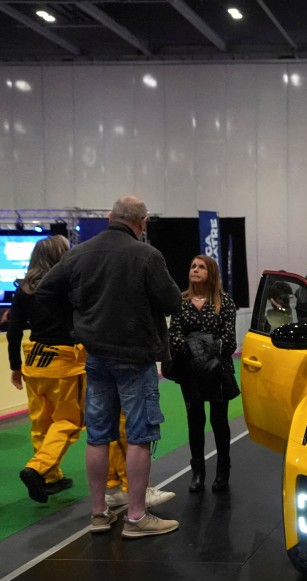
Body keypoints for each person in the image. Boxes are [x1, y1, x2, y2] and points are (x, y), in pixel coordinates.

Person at [36, 195, 182, 538]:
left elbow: (45, 291)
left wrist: (76, 327)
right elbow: (172, 300)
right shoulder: (148, 255)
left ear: (109, 217)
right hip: (136, 356)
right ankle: (136, 517)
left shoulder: (79, 253)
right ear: (142, 222)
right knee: (139, 435)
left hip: (96, 356)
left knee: (98, 436)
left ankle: (99, 514)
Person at [6, 235, 80, 503]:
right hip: (65, 363)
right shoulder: (67, 286)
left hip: (34, 362)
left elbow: (14, 331)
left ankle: (51, 477)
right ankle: (38, 468)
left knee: (41, 423)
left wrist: (15, 367)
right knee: (70, 421)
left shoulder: (23, 289)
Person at [167, 254, 238, 493]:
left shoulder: (224, 301)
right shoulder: (180, 301)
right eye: (192, 266)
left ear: (212, 273)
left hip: (218, 371)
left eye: (201, 267)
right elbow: (174, 336)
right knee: (194, 422)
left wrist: (199, 347)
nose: (195, 270)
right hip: (190, 373)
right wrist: (196, 350)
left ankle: (223, 471)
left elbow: (229, 340)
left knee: (219, 422)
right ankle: (197, 473)